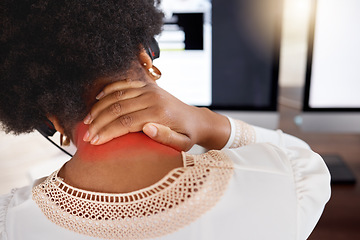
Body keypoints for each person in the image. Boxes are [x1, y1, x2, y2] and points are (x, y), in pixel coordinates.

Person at [0, 0, 330, 239]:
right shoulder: (283, 180)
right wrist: (207, 123)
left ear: (50, 122)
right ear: (146, 57)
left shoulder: (9, 223)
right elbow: (299, 156)